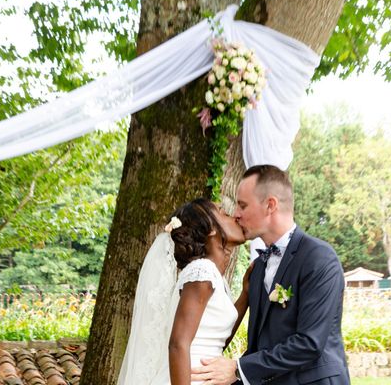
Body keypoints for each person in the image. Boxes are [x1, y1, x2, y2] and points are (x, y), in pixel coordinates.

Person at [191, 165, 350, 385]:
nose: (236, 214)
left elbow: (309, 343)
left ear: (270, 205)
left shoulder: (319, 258)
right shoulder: (257, 268)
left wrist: (238, 369)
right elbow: (259, 345)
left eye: (243, 205)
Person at [117, 198, 253, 385]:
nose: (232, 217)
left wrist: (245, 295)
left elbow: (215, 339)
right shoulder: (202, 272)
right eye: (223, 213)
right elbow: (178, 344)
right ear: (211, 229)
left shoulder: (210, 275)